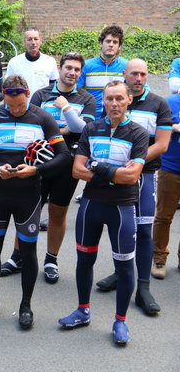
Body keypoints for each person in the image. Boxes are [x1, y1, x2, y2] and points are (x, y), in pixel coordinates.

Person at [0, 74, 69, 329]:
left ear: (28, 94)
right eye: (10, 105)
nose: (15, 110)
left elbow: (64, 156)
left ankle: (26, 305)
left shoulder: (42, 117)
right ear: (3, 97)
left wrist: (36, 170)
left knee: (27, 253)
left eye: (19, 105)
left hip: (28, 195)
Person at [58, 80, 148, 346]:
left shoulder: (138, 133)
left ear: (128, 100)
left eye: (120, 98)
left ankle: (120, 320)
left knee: (123, 267)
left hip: (122, 209)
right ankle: (83, 310)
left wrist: (97, 167)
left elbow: (132, 176)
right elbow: (77, 170)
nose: (114, 104)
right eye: (109, 99)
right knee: (84, 262)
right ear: (104, 101)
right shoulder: (91, 128)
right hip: (91, 206)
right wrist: (112, 174)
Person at [94, 59, 172, 315]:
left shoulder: (159, 103)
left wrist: (136, 161)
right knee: (120, 229)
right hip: (115, 176)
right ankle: (120, 274)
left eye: (143, 74)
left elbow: (161, 144)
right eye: (134, 73)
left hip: (144, 175)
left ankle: (143, 287)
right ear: (124, 74)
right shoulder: (114, 99)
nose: (139, 78)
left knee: (145, 231)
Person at [27, 52, 96, 284]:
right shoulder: (40, 94)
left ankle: (50, 260)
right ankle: (20, 257)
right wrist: (63, 130)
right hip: (39, 161)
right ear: (59, 68)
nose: (72, 73)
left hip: (67, 163)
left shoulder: (87, 99)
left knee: (58, 213)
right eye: (69, 68)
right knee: (29, 211)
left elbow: (81, 129)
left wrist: (66, 108)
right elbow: (32, 126)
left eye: (77, 69)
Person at [151, 90, 180, 278]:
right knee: (163, 216)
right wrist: (175, 127)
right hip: (170, 168)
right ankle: (159, 258)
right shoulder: (168, 103)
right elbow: (152, 129)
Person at [78, 25, 128, 119]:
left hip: (117, 120)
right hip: (91, 119)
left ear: (119, 47)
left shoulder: (126, 66)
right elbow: (77, 92)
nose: (111, 45)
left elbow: (142, 90)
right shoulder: (86, 66)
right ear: (100, 43)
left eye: (115, 42)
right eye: (108, 41)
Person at [5, 28, 58, 97]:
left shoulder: (50, 61)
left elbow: (53, 84)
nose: (33, 42)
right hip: (22, 105)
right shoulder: (14, 62)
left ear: (40, 41)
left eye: (36, 39)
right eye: (29, 39)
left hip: (42, 105)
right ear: (24, 42)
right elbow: (8, 87)